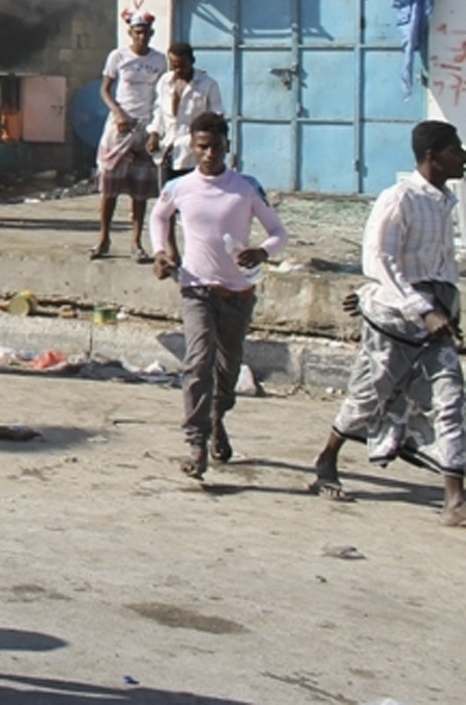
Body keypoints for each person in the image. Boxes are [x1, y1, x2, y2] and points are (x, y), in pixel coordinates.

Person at [309, 120, 465, 524]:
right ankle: (327, 457)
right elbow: (380, 260)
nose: (462, 156)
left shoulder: (444, 200)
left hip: (436, 317)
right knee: (370, 393)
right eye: (455, 150)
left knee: (450, 399)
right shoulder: (400, 199)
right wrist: (422, 308)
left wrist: (446, 313)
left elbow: (440, 266)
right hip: (397, 319)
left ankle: (454, 499)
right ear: (432, 156)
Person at [148, 111, 287, 479]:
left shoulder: (245, 187)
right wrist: (162, 251)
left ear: (227, 147)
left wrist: (262, 252)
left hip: (237, 294)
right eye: (202, 147)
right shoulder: (180, 187)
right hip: (196, 289)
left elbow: (277, 232)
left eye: (217, 147)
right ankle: (196, 443)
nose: (210, 154)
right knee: (197, 362)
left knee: (227, 370)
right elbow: (159, 216)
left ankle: (217, 418)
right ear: (192, 148)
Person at [95, 10, 166, 260]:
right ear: (130, 33)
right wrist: (117, 113)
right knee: (109, 185)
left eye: (146, 33)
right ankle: (104, 239)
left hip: (145, 127)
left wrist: (155, 129)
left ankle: (136, 243)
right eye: (137, 32)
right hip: (120, 127)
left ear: (151, 34)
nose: (142, 37)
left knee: (140, 189)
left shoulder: (159, 61)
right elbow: (105, 90)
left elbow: (162, 97)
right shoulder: (118, 56)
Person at [149, 42, 224, 183]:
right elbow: (158, 111)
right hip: (168, 149)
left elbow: (217, 118)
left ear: (192, 61)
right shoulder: (165, 82)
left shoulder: (208, 84)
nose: (177, 70)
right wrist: (154, 134)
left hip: (193, 153)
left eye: (181, 65)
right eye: (173, 65)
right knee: (169, 196)